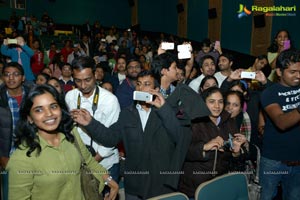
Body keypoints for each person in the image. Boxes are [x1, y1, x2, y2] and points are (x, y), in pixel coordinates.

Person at [71, 70, 190, 199]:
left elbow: (180, 137)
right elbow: (110, 138)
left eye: (146, 84)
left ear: (156, 89)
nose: (141, 88)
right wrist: (90, 123)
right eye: (138, 84)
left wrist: (163, 109)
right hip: (135, 184)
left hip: (161, 184)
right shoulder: (127, 113)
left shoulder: (169, 111)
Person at [6, 84, 119, 200]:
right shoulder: (22, 158)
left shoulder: (71, 134)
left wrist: (110, 181)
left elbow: (89, 162)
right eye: (39, 110)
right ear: (29, 118)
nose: (49, 113)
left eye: (53, 106)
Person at [65, 56, 120, 193]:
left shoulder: (110, 101)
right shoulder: (70, 97)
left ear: (96, 75)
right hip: (80, 163)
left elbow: (111, 140)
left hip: (105, 163)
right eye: (78, 80)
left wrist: (89, 163)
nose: (83, 86)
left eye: (87, 80)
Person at [178, 87, 246, 198]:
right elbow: (181, 152)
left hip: (220, 185)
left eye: (220, 102)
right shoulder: (193, 121)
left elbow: (235, 161)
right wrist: (204, 147)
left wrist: (236, 152)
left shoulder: (229, 121)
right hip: (194, 188)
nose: (217, 106)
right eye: (212, 102)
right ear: (203, 103)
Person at [259, 49, 300, 200]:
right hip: (274, 162)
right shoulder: (269, 93)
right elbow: (281, 122)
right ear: (279, 71)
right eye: (293, 72)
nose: (298, 76)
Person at [0, 62, 31, 200]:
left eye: (15, 74)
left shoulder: (33, 96)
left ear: (23, 78)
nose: (11, 78)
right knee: (11, 194)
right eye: (7, 75)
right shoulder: (1, 99)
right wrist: (2, 156)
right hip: (9, 155)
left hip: (33, 151)